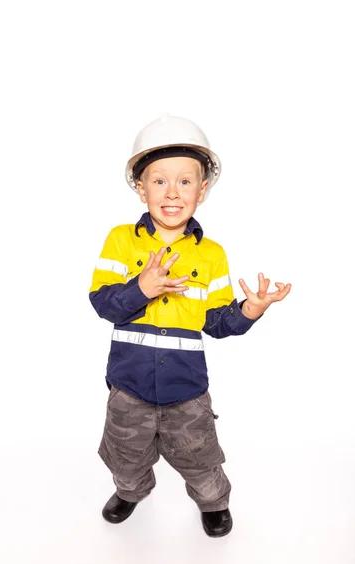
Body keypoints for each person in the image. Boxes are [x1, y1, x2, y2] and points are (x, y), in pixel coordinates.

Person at [89, 115, 291, 537]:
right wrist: (141, 288)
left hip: (187, 390)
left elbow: (216, 323)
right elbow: (104, 304)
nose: (172, 192)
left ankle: (213, 502)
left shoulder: (211, 254)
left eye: (185, 182)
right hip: (128, 386)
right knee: (126, 455)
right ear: (141, 188)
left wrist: (249, 311)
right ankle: (132, 490)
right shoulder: (121, 240)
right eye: (159, 181)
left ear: (202, 190)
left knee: (200, 457)